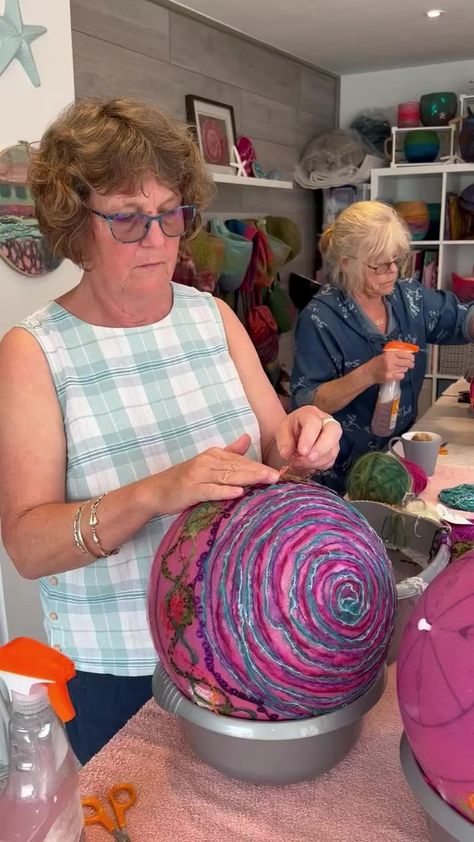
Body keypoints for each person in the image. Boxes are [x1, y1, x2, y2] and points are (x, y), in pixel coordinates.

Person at [0, 97, 341, 765]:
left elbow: (277, 452)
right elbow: (28, 545)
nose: (157, 238)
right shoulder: (34, 352)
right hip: (122, 673)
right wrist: (158, 492)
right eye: (127, 218)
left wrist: (303, 436)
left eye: (170, 213)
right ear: (75, 225)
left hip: (247, 643)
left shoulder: (212, 317)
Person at [291, 201, 474, 492]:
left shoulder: (408, 298)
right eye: (379, 264)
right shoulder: (320, 318)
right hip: (341, 473)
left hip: (400, 453)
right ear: (346, 262)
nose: (392, 271)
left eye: (396, 260)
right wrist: (370, 373)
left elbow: (460, 319)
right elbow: (308, 402)